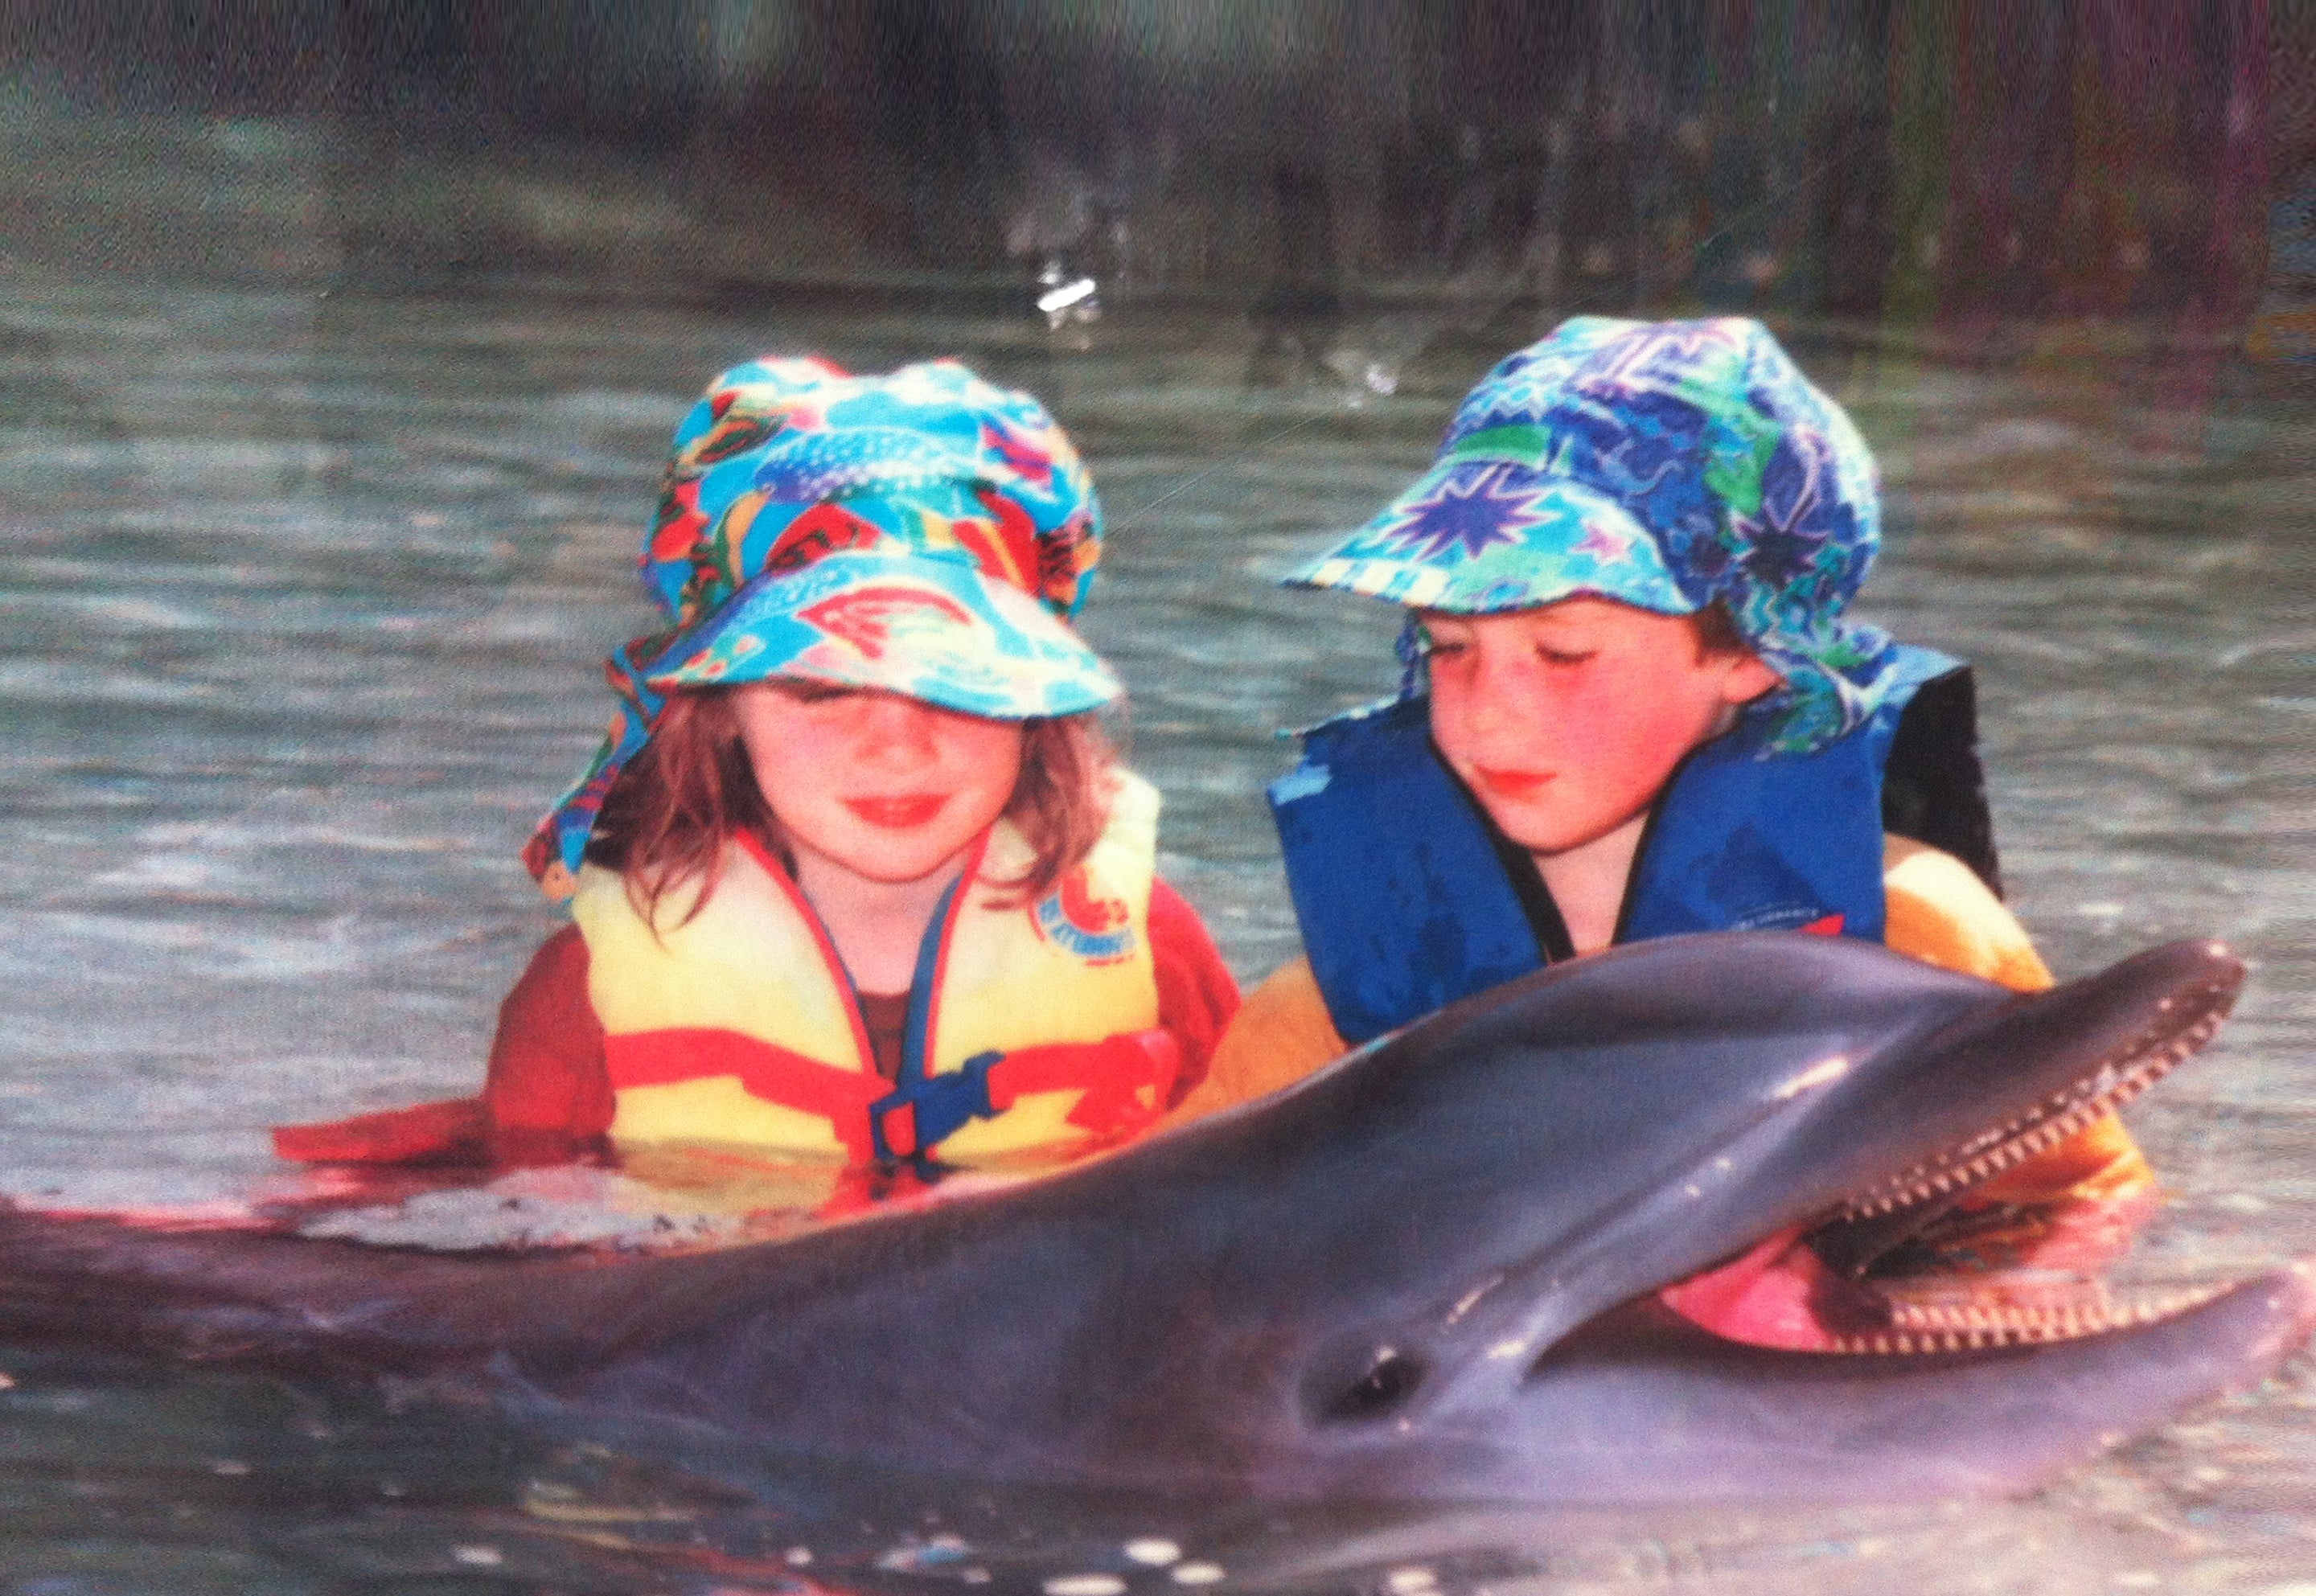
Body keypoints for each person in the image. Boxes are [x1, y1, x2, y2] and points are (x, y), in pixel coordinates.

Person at [1178, 316, 2146, 1269]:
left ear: (1753, 652)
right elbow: (1152, 1233)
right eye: (1450, 646)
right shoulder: (1328, 1007)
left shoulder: (1916, 936)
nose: (1484, 717)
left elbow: (2086, 1197)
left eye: (1562, 651)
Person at [274, 356, 1238, 1175]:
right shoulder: (590, 996)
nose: (897, 744)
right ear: (721, 708)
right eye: (821, 687)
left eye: (957, 687)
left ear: (1034, 709)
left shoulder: (1151, 945)